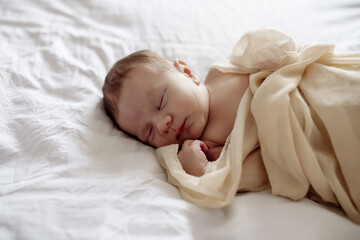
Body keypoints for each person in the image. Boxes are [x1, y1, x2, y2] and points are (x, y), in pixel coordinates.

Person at [102, 49, 269, 187]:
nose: (162, 125)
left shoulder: (220, 72)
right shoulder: (208, 148)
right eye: (149, 132)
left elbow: (257, 50)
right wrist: (198, 170)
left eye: (160, 102)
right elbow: (251, 171)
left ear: (187, 72)